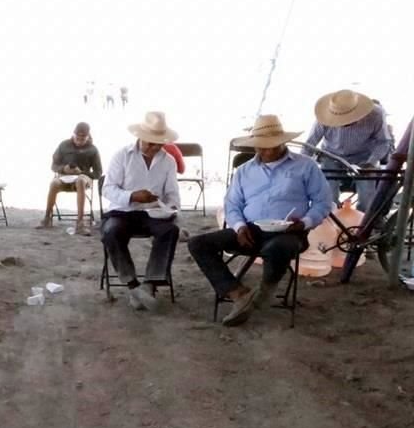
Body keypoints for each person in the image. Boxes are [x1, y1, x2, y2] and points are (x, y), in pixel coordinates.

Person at [189, 115, 332, 327]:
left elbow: (323, 202)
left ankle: (265, 290)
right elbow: (232, 205)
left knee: (278, 248)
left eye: (269, 146)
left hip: (290, 232)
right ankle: (239, 294)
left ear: (282, 142)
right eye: (259, 147)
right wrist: (239, 227)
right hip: (251, 230)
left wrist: (304, 222)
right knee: (198, 244)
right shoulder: (245, 171)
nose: (264, 151)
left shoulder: (306, 166)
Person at [101, 112, 181, 311]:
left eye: (158, 144)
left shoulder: (168, 161)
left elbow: (172, 194)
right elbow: (108, 189)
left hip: (153, 213)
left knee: (170, 231)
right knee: (111, 231)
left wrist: (170, 207)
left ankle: (150, 284)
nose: (154, 148)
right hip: (123, 211)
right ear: (140, 137)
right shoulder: (122, 155)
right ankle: (132, 285)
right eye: (150, 143)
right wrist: (132, 196)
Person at [305, 89, 393, 211]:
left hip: (364, 157)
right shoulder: (324, 116)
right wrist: (302, 165)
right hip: (331, 156)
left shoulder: (376, 114)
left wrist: (371, 161)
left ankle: (361, 224)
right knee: (328, 196)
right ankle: (331, 222)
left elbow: (383, 142)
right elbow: (310, 143)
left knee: (367, 198)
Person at [39, 122, 102, 234]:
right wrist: (63, 169)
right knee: (54, 183)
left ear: (88, 137)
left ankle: (80, 223)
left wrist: (81, 172)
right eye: (77, 136)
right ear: (73, 134)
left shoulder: (93, 149)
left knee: (80, 181)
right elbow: (53, 166)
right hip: (64, 177)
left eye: (83, 138)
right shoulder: (64, 145)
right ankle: (47, 218)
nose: (79, 139)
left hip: (83, 178)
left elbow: (98, 173)